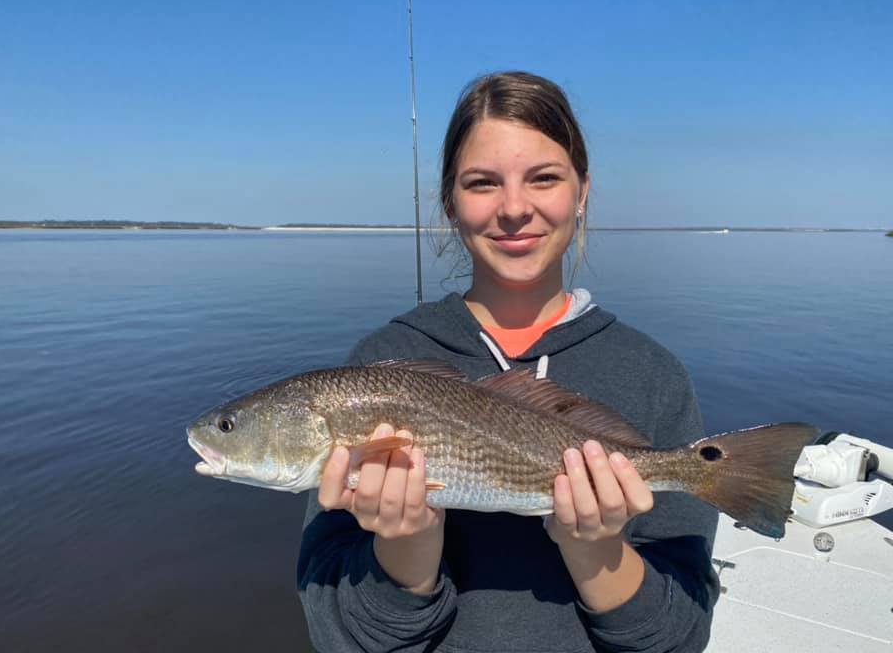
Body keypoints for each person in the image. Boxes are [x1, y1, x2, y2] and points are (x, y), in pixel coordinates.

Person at [297, 71, 719, 652]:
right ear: (449, 200)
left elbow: (679, 638)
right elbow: (338, 634)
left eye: (544, 178)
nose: (514, 208)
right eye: (482, 183)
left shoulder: (653, 375)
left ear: (582, 192)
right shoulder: (376, 369)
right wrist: (406, 547)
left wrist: (595, 547)